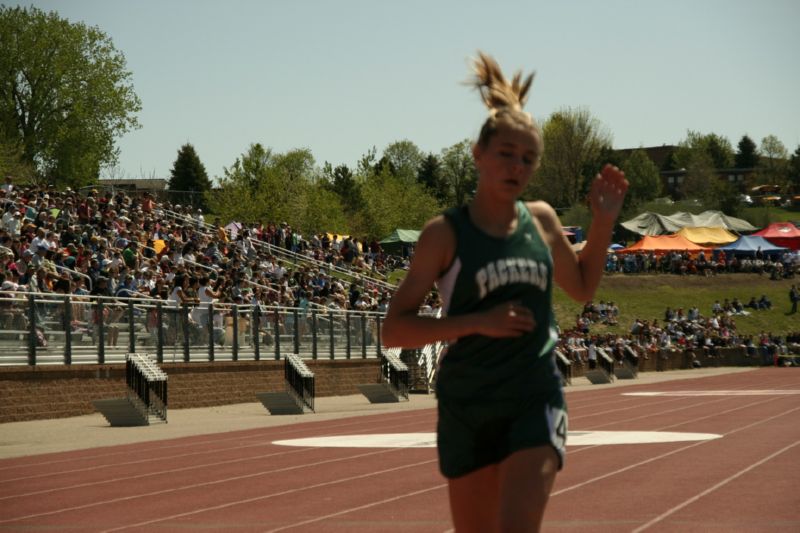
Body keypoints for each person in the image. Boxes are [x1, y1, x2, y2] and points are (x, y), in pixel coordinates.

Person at [382, 52, 628, 533]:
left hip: (532, 393)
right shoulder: (444, 234)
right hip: (469, 401)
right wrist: (475, 322)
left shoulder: (540, 220)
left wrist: (602, 224)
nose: (518, 166)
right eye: (506, 154)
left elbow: (580, 287)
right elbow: (393, 331)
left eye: (529, 159)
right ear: (478, 154)